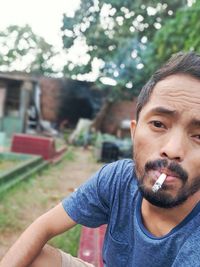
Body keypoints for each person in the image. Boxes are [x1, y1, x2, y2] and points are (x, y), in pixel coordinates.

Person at [1, 51, 200, 267]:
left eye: (198, 135)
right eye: (159, 124)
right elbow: (44, 227)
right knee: (33, 258)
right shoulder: (118, 179)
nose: (172, 150)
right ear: (134, 132)